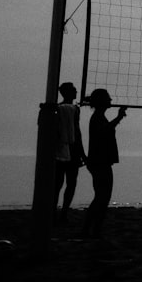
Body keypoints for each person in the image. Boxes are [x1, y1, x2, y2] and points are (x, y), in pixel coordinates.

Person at [81, 88, 126, 239]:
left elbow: (105, 130)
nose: (111, 100)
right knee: (102, 197)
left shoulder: (99, 117)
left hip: (101, 162)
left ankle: (92, 230)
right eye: (108, 98)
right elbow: (104, 131)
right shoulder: (97, 118)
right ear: (102, 101)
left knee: (102, 197)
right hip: (99, 162)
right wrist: (119, 117)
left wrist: (118, 118)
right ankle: (91, 230)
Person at [54, 81, 86, 224]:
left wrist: (82, 153)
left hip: (70, 149)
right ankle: (57, 212)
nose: (76, 91)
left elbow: (77, 131)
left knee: (69, 183)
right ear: (66, 92)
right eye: (73, 90)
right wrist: (82, 153)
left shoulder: (70, 108)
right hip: (64, 149)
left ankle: (63, 212)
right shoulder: (61, 108)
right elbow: (76, 131)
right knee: (59, 184)